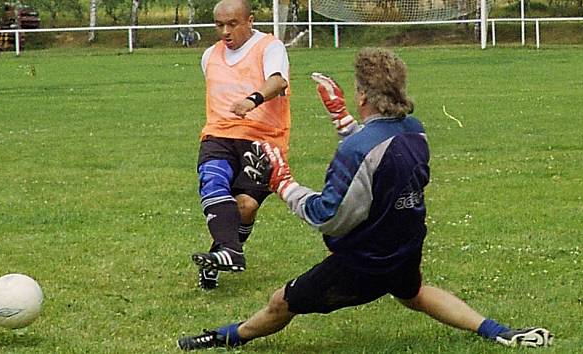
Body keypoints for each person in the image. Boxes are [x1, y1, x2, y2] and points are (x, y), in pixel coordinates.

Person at [178, 48, 554, 349]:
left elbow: (327, 215)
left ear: (363, 94)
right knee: (415, 294)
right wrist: (341, 120)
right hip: (404, 241)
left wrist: (282, 181)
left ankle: (227, 336)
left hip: (365, 259)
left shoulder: (357, 150)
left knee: (281, 302)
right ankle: (499, 331)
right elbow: (377, 154)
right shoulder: (414, 130)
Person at [191, 0, 291, 290]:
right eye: (219, 25)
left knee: (245, 206)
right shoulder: (210, 55)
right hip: (218, 135)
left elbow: (278, 81)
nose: (225, 31)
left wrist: (253, 100)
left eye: (232, 24)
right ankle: (230, 250)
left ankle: (218, 255)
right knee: (213, 181)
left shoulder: (270, 47)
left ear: (250, 20)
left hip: (264, 139)